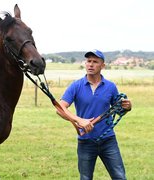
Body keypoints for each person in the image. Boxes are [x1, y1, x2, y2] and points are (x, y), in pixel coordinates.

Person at [57, 49, 132, 180]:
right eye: (88, 61)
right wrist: (79, 120)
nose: (90, 64)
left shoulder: (110, 87)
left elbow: (117, 109)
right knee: (85, 178)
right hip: (85, 141)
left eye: (95, 62)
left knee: (120, 176)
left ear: (102, 66)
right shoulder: (76, 85)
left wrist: (127, 108)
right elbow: (60, 108)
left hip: (108, 140)